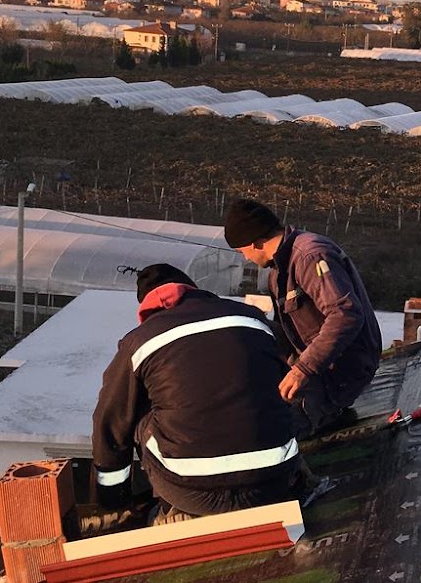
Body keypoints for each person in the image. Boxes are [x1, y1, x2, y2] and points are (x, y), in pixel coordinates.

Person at [92, 263, 302, 519]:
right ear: (192, 290)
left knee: (137, 410)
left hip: (192, 492)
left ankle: (159, 505)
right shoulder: (252, 318)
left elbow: (110, 421)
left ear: (146, 308)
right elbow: (294, 371)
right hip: (274, 479)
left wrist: (113, 497)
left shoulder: (139, 341)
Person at [225, 198, 382, 438]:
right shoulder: (279, 271)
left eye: (242, 251)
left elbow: (345, 315)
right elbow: (285, 331)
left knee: (280, 434)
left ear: (255, 242)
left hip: (342, 371)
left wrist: (303, 370)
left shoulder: (310, 256)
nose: (245, 258)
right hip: (319, 367)